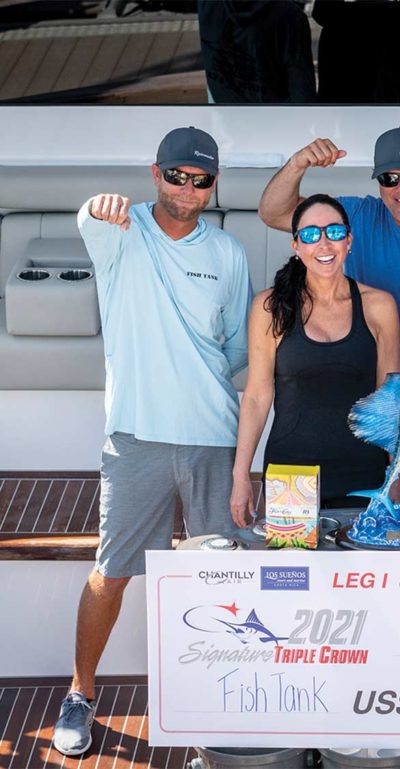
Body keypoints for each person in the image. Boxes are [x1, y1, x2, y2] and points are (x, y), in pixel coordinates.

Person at [53, 127, 252, 756]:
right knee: (110, 576)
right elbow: (90, 216)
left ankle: (219, 708)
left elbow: (236, 350)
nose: (186, 188)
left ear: (213, 184)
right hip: (135, 439)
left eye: (200, 179)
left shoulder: (228, 251)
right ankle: (80, 694)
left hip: (214, 439)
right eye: (176, 175)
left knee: (222, 582)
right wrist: (98, 205)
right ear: (155, 172)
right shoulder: (120, 230)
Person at [230, 194, 400, 519]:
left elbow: (391, 401)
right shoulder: (270, 307)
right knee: (291, 571)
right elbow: (255, 396)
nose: (323, 243)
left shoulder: (379, 306)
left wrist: (397, 474)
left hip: (364, 477)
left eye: (334, 232)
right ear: (296, 246)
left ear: (349, 240)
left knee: (363, 570)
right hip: (290, 478)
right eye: (310, 235)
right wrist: (241, 476)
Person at [259, 126, 400, 364]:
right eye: (389, 178)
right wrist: (297, 164)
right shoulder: (360, 216)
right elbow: (274, 214)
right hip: (370, 374)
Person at [197, 0, 316, 103]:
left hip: (222, 111)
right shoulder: (290, 16)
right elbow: (303, 94)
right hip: (273, 120)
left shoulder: (207, 3)